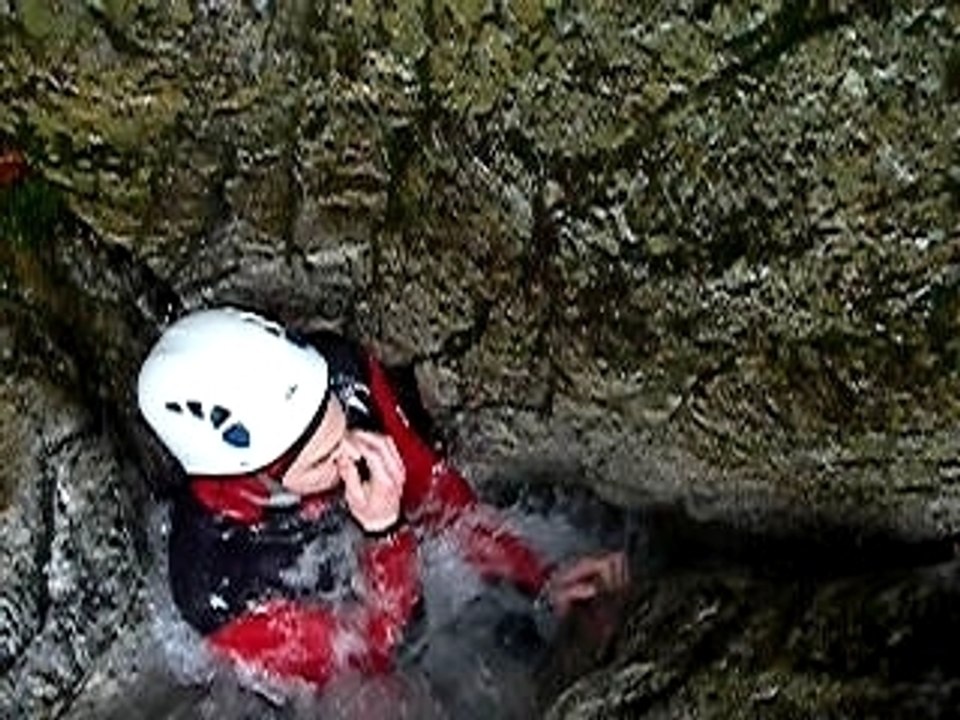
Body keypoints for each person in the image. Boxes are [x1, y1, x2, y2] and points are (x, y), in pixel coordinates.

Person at [137, 306, 628, 692]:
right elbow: (378, 655)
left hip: (405, 593)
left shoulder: (342, 375)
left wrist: (540, 579)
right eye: (323, 459)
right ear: (256, 476)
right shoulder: (215, 586)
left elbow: (442, 504)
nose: (351, 449)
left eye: (341, 423)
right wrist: (383, 534)